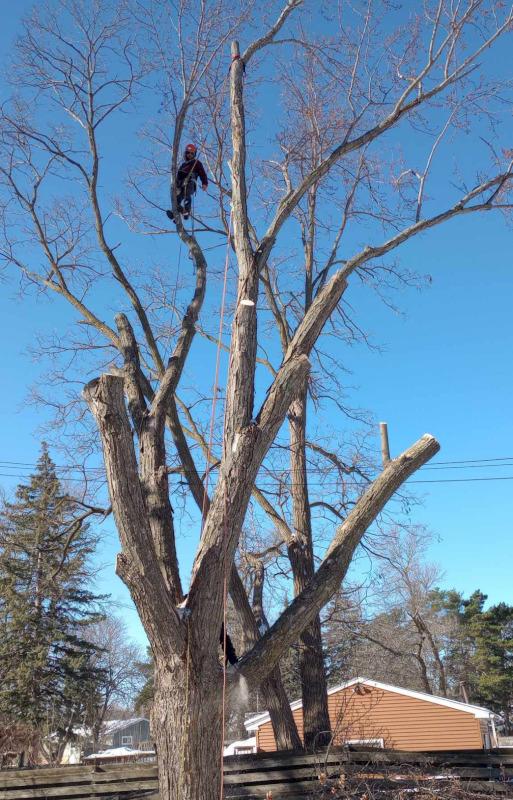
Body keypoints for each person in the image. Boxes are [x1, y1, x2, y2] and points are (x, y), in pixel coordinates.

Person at [166, 143, 208, 221]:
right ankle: (176, 213)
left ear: (194, 154)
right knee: (177, 199)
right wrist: (176, 185)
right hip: (180, 183)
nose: (190, 155)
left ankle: (187, 210)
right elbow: (178, 176)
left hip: (190, 182)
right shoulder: (183, 165)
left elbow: (202, 173)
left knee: (186, 194)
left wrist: (204, 183)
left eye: (192, 153)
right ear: (185, 153)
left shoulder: (196, 163)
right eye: (188, 153)